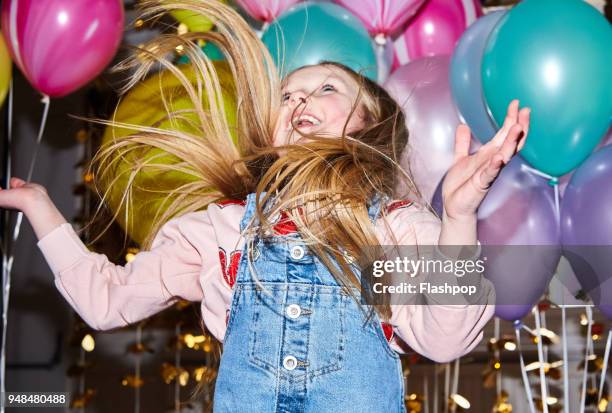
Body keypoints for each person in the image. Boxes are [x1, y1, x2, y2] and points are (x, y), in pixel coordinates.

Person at [0, 0, 530, 411]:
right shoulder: (223, 228)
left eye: (325, 88)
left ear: (366, 122)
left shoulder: (392, 230)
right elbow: (105, 302)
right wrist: (40, 206)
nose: (298, 100)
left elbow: (447, 338)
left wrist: (459, 215)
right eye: (286, 95)